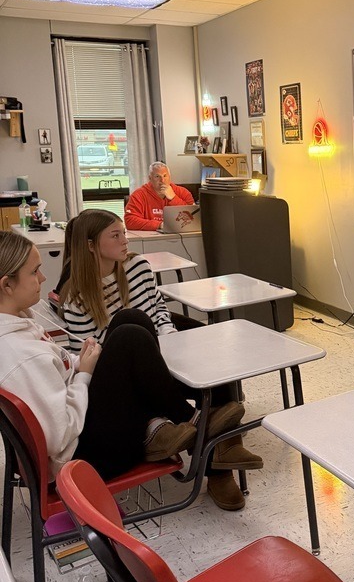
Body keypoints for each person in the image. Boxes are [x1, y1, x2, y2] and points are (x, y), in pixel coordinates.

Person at [57, 210, 263, 510]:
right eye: (115, 236)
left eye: (124, 233)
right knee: (132, 327)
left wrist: (171, 342)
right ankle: (210, 443)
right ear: (91, 245)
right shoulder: (75, 296)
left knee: (215, 356)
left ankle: (221, 460)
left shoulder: (138, 267)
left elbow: (159, 311)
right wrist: (150, 358)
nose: (125, 241)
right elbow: (91, 355)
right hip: (128, 373)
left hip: (162, 348)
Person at [0, 231, 198, 480]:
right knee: (129, 337)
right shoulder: (21, 354)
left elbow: (55, 368)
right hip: (85, 460)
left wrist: (81, 362)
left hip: (82, 435)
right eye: (34, 271)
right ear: (7, 284)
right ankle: (192, 420)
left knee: (130, 319)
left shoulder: (18, 324)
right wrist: (84, 374)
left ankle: (170, 420)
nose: (43, 277)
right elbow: (59, 436)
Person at [124, 161, 194, 231]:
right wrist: (160, 225)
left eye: (165, 176)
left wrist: (173, 198)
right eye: (157, 176)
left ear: (169, 177)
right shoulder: (138, 195)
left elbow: (194, 218)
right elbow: (130, 221)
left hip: (181, 235)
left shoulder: (183, 192)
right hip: (150, 238)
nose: (162, 180)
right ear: (150, 178)